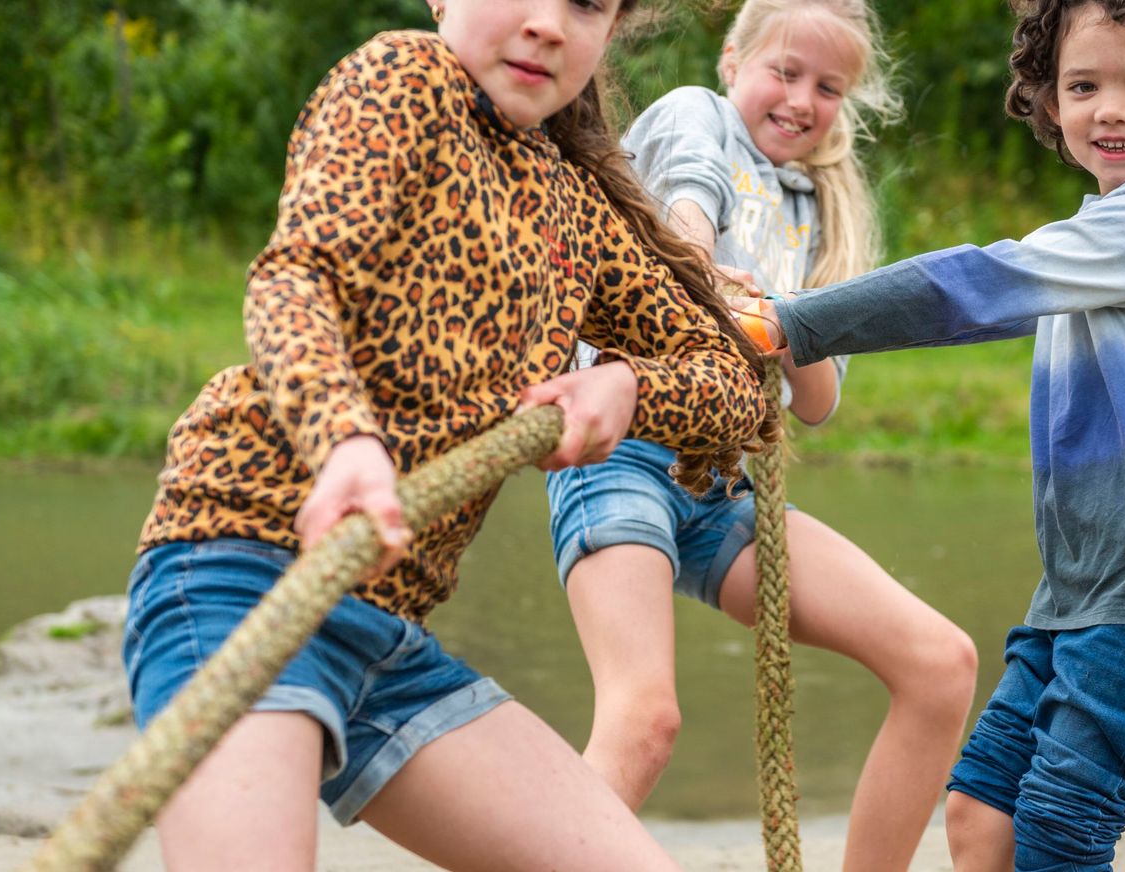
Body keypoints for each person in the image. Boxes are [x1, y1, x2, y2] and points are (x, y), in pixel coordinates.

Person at [119, 1, 777, 869]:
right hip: (246, 568)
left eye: (586, 3)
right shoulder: (404, 79)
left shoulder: (571, 205)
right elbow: (295, 277)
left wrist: (628, 385)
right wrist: (346, 443)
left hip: (387, 632)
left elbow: (738, 387)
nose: (548, 23)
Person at [738, 1, 1125, 869]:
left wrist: (791, 323)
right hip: (1083, 592)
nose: (1112, 109)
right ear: (1050, 103)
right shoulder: (1105, 232)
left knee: (1059, 829)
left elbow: (975, 285)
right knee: (982, 816)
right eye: (1083, 85)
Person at [545, 1, 979, 867]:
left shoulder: (825, 207)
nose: (802, 100)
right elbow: (686, 204)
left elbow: (815, 403)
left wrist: (789, 322)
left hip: (722, 485)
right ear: (733, 60)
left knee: (941, 663)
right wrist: (706, 266)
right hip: (623, 452)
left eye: (829, 86)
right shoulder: (695, 114)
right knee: (645, 718)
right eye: (785, 72)